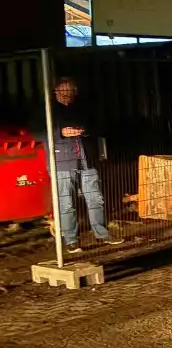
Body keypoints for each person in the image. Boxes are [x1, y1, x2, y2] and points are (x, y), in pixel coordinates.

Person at [51, 77, 122, 253]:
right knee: (66, 202)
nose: (67, 94)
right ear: (56, 92)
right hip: (62, 163)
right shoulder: (48, 111)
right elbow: (37, 133)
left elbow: (100, 127)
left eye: (70, 90)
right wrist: (60, 133)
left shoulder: (82, 110)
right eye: (63, 90)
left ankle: (102, 234)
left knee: (95, 198)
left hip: (86, 160)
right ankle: (71, 240)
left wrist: (85, 131)